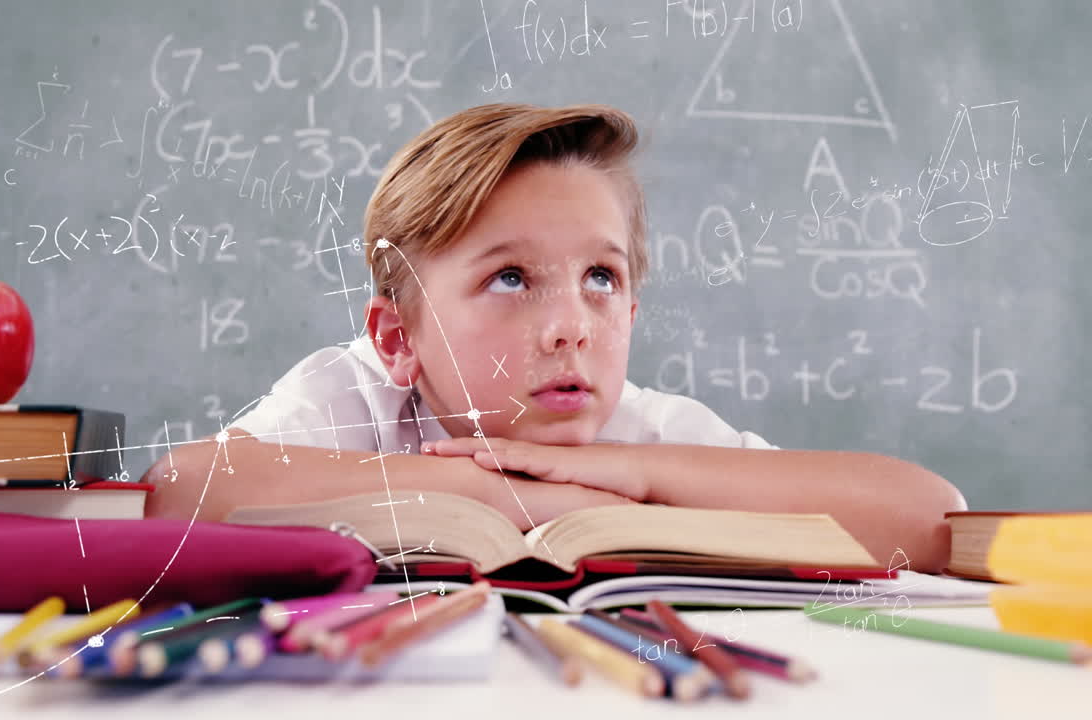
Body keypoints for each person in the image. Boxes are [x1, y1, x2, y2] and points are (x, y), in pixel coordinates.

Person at [144, 103, 966, 573]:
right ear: (399, 337)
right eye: (511, 278)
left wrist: (633, 474)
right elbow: (176, 492)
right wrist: (514, 500)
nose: (573, 326)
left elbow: (929, 519)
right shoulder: (356, 394)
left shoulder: (644, 436)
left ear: (632, 314)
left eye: (602, 280)